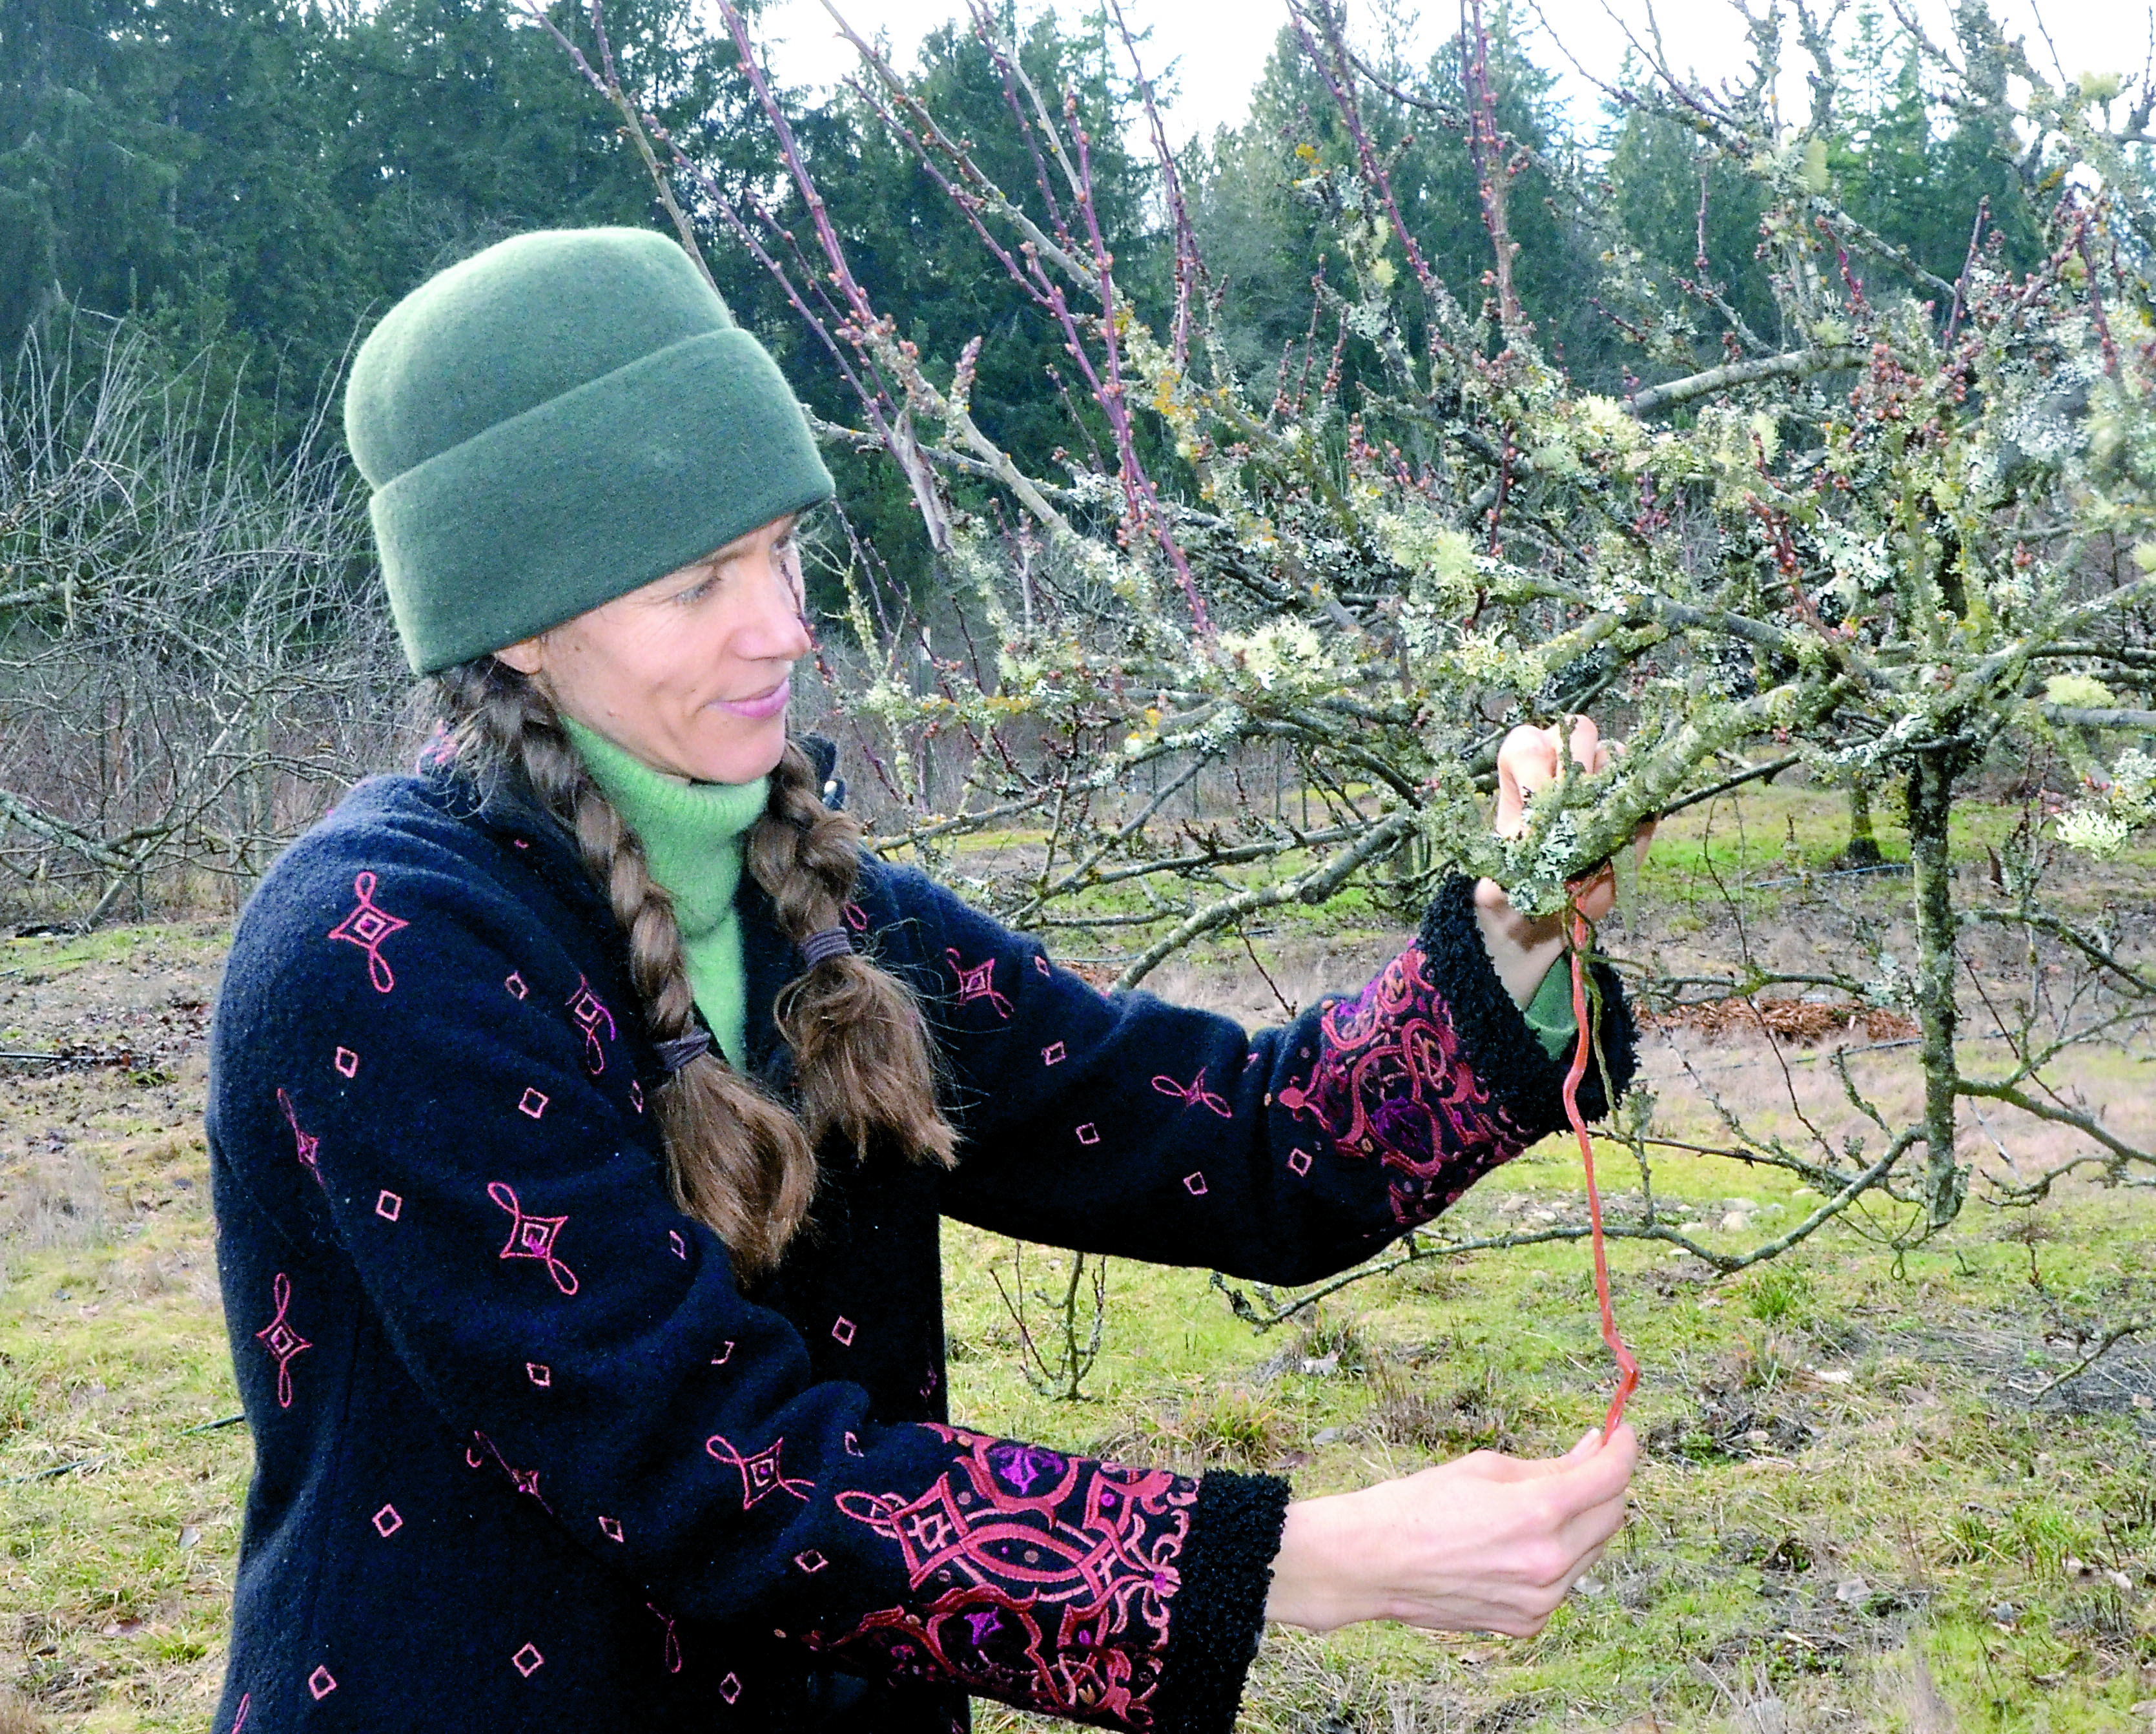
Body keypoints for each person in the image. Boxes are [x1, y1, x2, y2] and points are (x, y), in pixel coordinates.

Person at [205, 227, 1642, 1734]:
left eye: (781, 549)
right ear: (517, 625)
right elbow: (710, 1465)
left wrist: (1512, 935)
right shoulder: (376, 952)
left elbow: (1240, 1143)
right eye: (699, 582)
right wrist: (1307, 1557)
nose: (782, 627)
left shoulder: (825, 914)